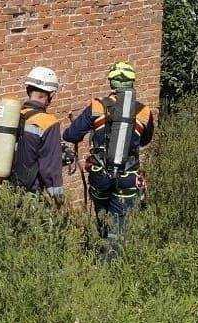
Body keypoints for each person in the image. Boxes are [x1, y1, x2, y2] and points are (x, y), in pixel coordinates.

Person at [63, 61, 154, 252]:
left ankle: (101, 252)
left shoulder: (97, 106)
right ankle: (115, 258)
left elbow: (70, 135)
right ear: (132, 82)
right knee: (119, 226)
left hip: (100, 176)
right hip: (127, 177)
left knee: (102, 218)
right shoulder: (144, 112)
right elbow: (145, 140)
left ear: (111, 82)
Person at [6, 66, 65, 204]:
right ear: (50, 95)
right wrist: (58, 197)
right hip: (30, 193)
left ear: (28, 90)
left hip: (9, 188)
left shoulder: (15, 115)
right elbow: (50, 167)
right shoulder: (48, 122)